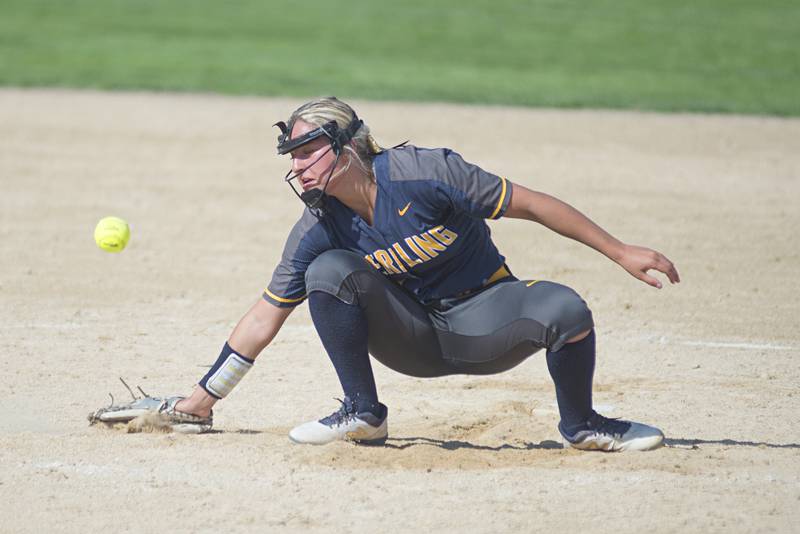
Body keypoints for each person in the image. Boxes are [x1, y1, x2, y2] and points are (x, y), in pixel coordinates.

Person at [173, 96, 680, 452]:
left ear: (347, 146)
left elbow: (531, 204)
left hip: (488, 319)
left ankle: (583, 426)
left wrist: (619, 251)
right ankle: (362, 412)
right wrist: (200, 400)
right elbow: (264, 316)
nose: (299, 167)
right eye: (293, 157)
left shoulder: (426, 173)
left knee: (565, 308)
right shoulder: (319, 226)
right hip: (413, 338)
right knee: (329, 270)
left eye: (308, 152)